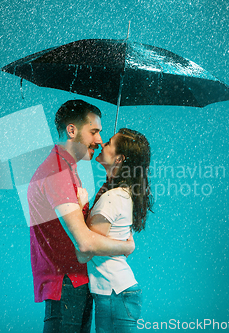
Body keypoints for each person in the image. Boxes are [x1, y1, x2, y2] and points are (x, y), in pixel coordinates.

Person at [27, 100, 135, 333]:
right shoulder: (57, 171)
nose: (99, 140)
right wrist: (125, 247)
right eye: (94, 131)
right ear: (72, 130)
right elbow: (84, 243)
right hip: (67, 284)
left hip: (75, 283)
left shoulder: (67, 168)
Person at [76, 128, 153, 333]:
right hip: (117, 292)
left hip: (114, 293)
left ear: (119, 159)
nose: (102, 144)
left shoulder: (113, 198)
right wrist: (126, 246)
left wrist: (80, 207)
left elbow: (83, 252)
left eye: (109, 143)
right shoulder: (120, 194)